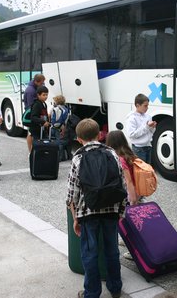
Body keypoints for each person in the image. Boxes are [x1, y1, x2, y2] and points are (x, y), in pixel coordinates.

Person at [66, 119, 124, 298]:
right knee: (112, 250)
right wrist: (121, 211)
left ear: (78, 138)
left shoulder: (78, 158)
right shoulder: (112, 154)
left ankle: (91, 293)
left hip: (88, 213)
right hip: (111, 210)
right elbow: (121, 183)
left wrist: (76, 218)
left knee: (89, 254)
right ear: (99, 135)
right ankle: (115, 288)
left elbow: (72, 195)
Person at [106, 130, 139, 261]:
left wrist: (132, 199)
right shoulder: (129, 154)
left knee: (130, 223)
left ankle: (134, 251)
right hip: (136, 191)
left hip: (129, 195)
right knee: (128, 222)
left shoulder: (120, 158)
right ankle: (126, 241)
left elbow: (128, 180)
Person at [126, 93, 157, 164]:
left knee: (147, 170)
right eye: (145, 106)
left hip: (148, 146)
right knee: (140, 171)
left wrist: (153, 127)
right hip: (138, 148)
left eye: (148, 106)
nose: (147, 108)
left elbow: (151, 132)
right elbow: (132, 134)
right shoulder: (132, 118)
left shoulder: (148, 116)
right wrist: (147, 127)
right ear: (137, 105)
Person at [24, 74, 45, 153]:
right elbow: (30, 106)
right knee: (30, 133)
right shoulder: (31, 91)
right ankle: (30, 151)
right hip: (31, 115)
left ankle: (33, 150)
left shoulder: (34, 88)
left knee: (31, 133)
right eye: (41, 83)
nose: (42, 84)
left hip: (33, 114)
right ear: (36, 81)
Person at [50, 94, 69, 161]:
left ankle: (57, 157)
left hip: (54, 126)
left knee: (55, 141)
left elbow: (50, 116)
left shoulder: (55, 109)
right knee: (60, 141)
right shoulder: (66, 109)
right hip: (62, 126)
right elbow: (66, 120)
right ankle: (62, 156)